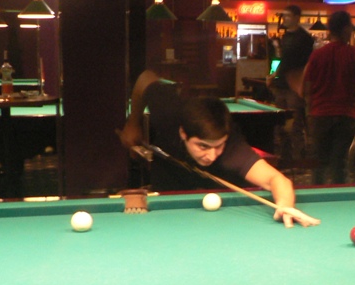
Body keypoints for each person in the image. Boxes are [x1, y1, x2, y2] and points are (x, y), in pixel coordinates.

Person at [119, 70, 319, 228]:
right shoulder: (168, 113)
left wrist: (285, 205)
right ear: (183, 133)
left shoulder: (233, 151)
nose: (212, 155)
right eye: (203, 146)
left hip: (223, 213)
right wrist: (133, 122)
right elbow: (145, 79)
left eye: (218, 146)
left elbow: (277, 179)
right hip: (169, 186)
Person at [303, 11, 355, 185]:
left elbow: (305, 87)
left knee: (319, 163)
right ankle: (340, 195)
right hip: (346, 115)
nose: (351, 31)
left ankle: (316, 194)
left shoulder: (317, 55)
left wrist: (309, 108)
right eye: (350, 28)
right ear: (345, 29)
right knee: (339, 163)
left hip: (320, 114)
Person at [268, 4, 316, 162]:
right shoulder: (286, 36)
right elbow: (285, 60)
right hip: (282, 84)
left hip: (294, 86)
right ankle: (284, 157)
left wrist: (302, 84)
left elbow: (308, 64)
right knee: (280, 123)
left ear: (297, 18)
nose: (284, 18)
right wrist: (274, 75)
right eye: (284, 15)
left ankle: (298, 159)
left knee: (294, 124)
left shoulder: (305, 38)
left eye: (287, 15)